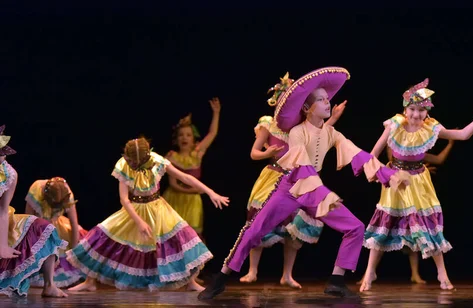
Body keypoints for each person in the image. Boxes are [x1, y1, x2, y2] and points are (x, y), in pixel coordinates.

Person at [198, 66, 410, 300]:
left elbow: (358, 154)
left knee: (355, 227)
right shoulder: (298, 132)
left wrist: (389, 175)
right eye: (321, 100)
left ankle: (337, 280)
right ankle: (221, 277)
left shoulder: (331, 133)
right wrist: (323, 194)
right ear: (308, 108)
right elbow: (302, 167)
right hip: (290, 187)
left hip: (315, 192)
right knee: (255, 229)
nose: (328, 103)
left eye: (327, 99)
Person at [360, 78, 473, 291]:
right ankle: (369, 272)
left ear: (427, 111)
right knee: (385, 223)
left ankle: (442, 275)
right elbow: (373, 154)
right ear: (405, 109)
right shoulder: (394, 125)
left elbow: (462, 135)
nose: (416, 114)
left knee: (427, 224)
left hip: (419, 181)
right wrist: (381, 174)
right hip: (396, 179)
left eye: (421, 110)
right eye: (412, 109)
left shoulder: (430, 128)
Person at [67, 137, 229, 292]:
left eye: (136, 162)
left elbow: (185, 176)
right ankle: (90, 281)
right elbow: (124, 199)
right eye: (131, 161)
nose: (132, 164)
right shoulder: (123, 165)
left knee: (180, 239)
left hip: (157, 208)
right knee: (102, 238)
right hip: (134, 208)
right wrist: (139, 222)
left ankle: (190, 282)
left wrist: (211, 192)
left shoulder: (157, 161)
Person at [240, 73, 346, 289]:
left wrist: (333, 118)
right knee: (259, 221)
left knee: (294, 228)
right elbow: (253, 153)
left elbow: (321, 135)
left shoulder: (301, 125)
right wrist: (267, 152)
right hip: (273, 176)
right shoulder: (268, 124)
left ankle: (286, 275)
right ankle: (252, 270)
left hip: (298, 178)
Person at [0, 125, 68, 297]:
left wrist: (2, 245)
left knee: (44, 227)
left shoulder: (9, 173)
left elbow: (2, 210)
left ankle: (49, 286)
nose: (3, 157)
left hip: (2, 220)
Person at [163, 98, 221, 238]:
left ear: (193, 138)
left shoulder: (197, 154)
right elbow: (173, 184)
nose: (184, 138)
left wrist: (216, 113)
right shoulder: (171, 157)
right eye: (181, 135)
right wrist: (194, 190)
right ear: (176, 139)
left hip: (193, 202)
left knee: (193, 236)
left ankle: (198, 261)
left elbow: (212, 133)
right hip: (174, 198)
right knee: (172, 235)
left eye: (188, 135)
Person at [26, 177, 89, 288]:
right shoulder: (36, 189)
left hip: (57, 226)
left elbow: (74, 223)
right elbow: (28, 220)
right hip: (38, 229)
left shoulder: (66, 192)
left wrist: (73, 254)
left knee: (82, 236)